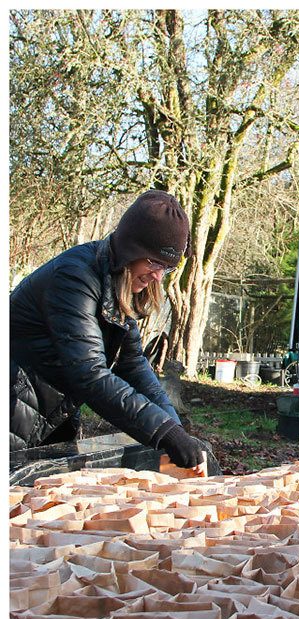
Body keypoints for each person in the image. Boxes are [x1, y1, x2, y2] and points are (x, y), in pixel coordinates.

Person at [9, 189, 207, 468]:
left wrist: (174, 429)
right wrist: (163, 433)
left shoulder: (115, 285)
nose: (157, 276)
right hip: (13, 406)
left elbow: (133, 364)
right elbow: (89, 373)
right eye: (153, 261)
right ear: (130, 249)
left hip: (50, 413)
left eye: (166, 267)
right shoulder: (75, 279)